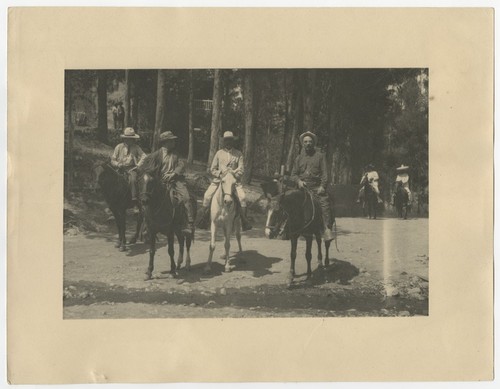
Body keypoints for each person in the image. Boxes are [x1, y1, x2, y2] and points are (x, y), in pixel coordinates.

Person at [141, 131, 195, 236]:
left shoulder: (176, 154)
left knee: (186, 197)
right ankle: (146, 226)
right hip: (160, 181)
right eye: (172, 141)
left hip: (176, 180)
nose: (174, 142)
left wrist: (174, 174)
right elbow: (148, 168)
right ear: (166, 142)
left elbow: (181, 165)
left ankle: (189, 223)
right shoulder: (155, 155)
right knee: (148, 199)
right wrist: (155, 175)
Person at [197, 131, 252, 231]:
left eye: (230, 140)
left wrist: (234, 174)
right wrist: (220, 174)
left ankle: (244, 222)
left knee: (243, 198)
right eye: (226, 140)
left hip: (234, 182)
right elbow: (212, 168)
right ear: (223, 141)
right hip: (219, 181)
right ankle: (203, 220)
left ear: (233, 141)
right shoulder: (219, 153)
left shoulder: (238, 154)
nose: (228, 142)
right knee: (207, 196)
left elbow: (241, 169)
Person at [290, 131, 334, 242]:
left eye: (310, 141)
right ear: (302, 144)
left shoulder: (320, 156)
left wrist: (322, 186)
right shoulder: (298, 158)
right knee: (290, 203)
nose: (308, 143)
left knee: (325, 203)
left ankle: (326, 228)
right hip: (302, 188)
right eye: (305, 142)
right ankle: (288, 229)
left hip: (316, 187)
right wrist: (299, 181)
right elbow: (293, 174)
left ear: (313, 143)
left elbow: (325, 174)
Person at [110, 127, 146, 214]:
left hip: (131, 168)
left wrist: (138, 165)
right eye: (128, 139)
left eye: (132, 139)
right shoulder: (119, 147)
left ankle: (134, 203)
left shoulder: (136, 147)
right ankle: (112, 205)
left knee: (133, 180)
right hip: (120, 168)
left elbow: (144, 156)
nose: (130, 141)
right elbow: (113, 159)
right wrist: (118, 164)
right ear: (124, 138)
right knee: (112, 182)